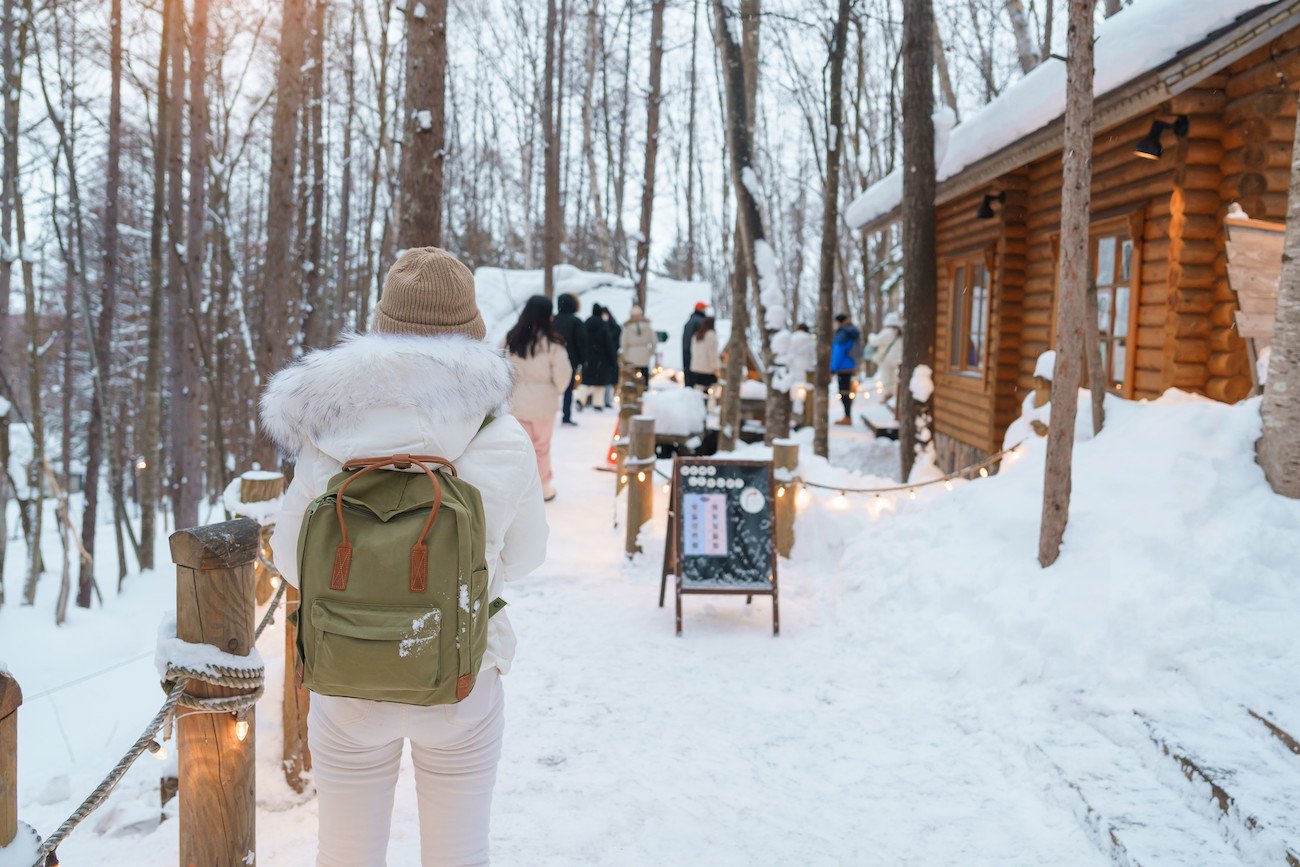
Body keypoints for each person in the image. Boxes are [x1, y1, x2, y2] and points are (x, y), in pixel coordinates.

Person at [263, 246, 548, 867]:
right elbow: (527, 558)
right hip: (461, 673)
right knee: (459, 853)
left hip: (348, 678)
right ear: (473, 338)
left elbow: (290, 559)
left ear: (379, 330)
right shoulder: (499, 435)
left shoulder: (327, 429)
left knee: (344, 853)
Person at [505, 295, 572, 502]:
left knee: (519, 446)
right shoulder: (553, 343)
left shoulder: (512, 337)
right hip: (543, 403)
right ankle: (543, 487)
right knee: (541, 446)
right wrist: (555, 390)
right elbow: (563, 375)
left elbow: (501, 364)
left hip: (517, 400)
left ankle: (517, 486)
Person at [553, 293, 585, 426]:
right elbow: (581, 342)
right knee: (568, 389)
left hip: (552, 358)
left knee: (551, 386)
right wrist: (582, 360)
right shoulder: (576, 321)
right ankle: (566, 415)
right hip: (570, 359)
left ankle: (549, 413)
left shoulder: (552, 320)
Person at [581, 303, 619, 409]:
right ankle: (598, 403)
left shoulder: (586, 323)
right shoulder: (603, 325)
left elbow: (581, 340)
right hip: (601, 358)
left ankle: (580, 399)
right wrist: (612, 358)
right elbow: (608, 343)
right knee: (601, 382)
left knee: (586, 381)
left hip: (588, 357)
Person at [830, 312, 862, 425]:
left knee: (843, 392)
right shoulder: (851, 331)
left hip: (843, 367)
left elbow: (838, 352)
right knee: (847, 392)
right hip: (851, 365)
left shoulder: (842, 333)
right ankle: (847, 416)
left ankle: (847, 417)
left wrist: (833, 368)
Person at [866, 311, 904, 402]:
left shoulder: (887, 332)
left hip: (886, 360)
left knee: (886, 377)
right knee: (895, 378)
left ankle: (888, 394)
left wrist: (871, 336)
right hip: (897, 359)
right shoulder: (899, 334)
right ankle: (895, 395)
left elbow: (874, 341)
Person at [621, 304, 657, 383]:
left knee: (632, 378)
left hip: (631, 355)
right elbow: (654, 341)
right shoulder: (648, 327)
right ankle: (645, 388)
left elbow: (623, 343)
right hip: (644, 354)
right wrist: (650, 352)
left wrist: (626, 355)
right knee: (644, 376)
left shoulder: (627, 329)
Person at [689, 315, 721, 391]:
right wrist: (716, 367)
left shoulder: (696, 335)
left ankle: (697, 402)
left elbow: (692, 351)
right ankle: (711, 403)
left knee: (699, 389)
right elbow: (712, 353)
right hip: (708, 369)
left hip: (696, 368)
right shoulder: (711, 335)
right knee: (715, 389)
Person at [681, 302, 708, 387]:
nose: (705, 310)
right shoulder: (700, 321)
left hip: (686, 351)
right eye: (704, 308)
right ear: (700, 309)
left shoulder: (690, 320)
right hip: (694, 352)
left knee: (688, 374)